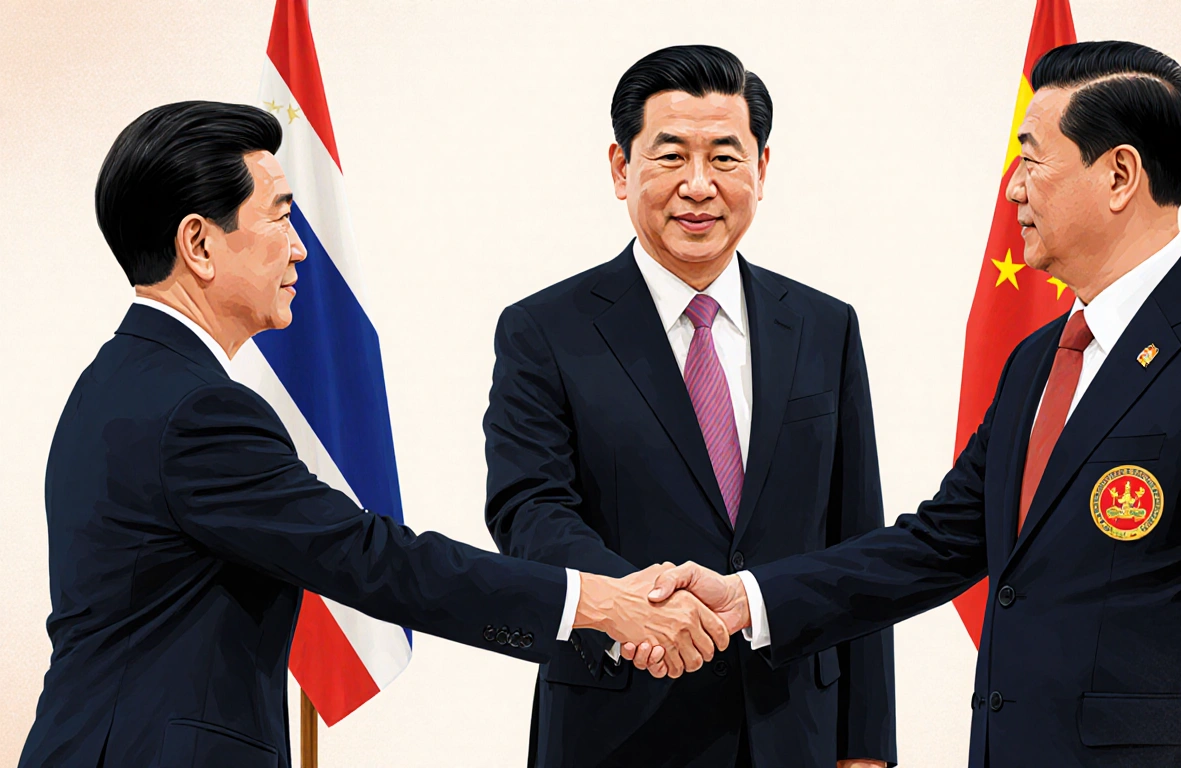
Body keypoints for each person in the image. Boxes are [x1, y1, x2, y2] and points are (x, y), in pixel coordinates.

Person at [647, 41, 1181, 768]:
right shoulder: (1038, 358)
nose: (1013, 189)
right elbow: (938, 543)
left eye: (1033, 159)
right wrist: (750, 598)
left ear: (1120, 175)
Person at [19, 101, 728, 768]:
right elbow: (377, 561)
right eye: (280, 218)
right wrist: (599, 603)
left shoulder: (122, 381)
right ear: (199, 242)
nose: (300, 251)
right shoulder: (196, 411)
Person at [483, 45, 896, 768]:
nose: (699, 186)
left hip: (794, 727)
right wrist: (633, 606)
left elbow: (855, 539)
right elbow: (529, 509)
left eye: (726, 158)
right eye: (670, 156)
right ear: (621, 168)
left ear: (763, 169)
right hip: (615, 723)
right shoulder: (546, 329)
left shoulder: (826, 328)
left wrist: (867, 745)